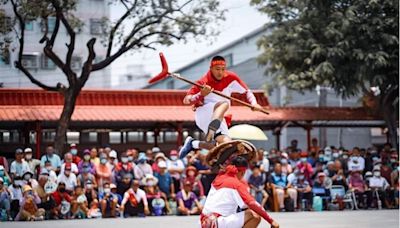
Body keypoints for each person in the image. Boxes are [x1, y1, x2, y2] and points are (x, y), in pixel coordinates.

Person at [179, 56, 263, 158]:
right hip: (204, 113)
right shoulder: (203, 82)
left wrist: (254, 103)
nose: (220, 72)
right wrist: (201, 94)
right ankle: (212, 129)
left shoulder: (231, 77)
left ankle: (193, 143)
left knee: (226, 145)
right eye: (217, 69)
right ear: (211, 69)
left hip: (220, 117)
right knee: (224, 104)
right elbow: (186, 100)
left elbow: (247, 91)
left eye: (223, 69)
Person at [201, 156, 279, 228]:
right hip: (216, 223)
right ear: (243, 172)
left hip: (204, 222)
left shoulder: (219, 177)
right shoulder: (237, 184)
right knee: (254, 215)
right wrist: (271, 221)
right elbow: (252, 204)